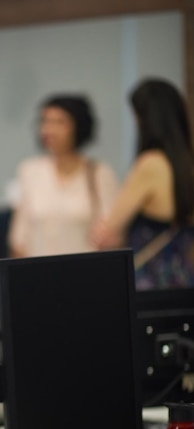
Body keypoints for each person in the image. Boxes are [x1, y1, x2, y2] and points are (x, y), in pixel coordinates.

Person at [91, 78, 194, 289]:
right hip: (184, 279)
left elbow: (109, 231)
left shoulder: (150, 164)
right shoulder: (187, 164)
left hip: (151, 283)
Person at [7, 94, 119, 258]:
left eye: (59, 122)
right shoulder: (29, 171)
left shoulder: (99, 173)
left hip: (85, 273)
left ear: (78, 126)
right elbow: (19, 237)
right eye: (45, 121)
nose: (48, 130)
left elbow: (112, 233)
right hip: (39, 273)